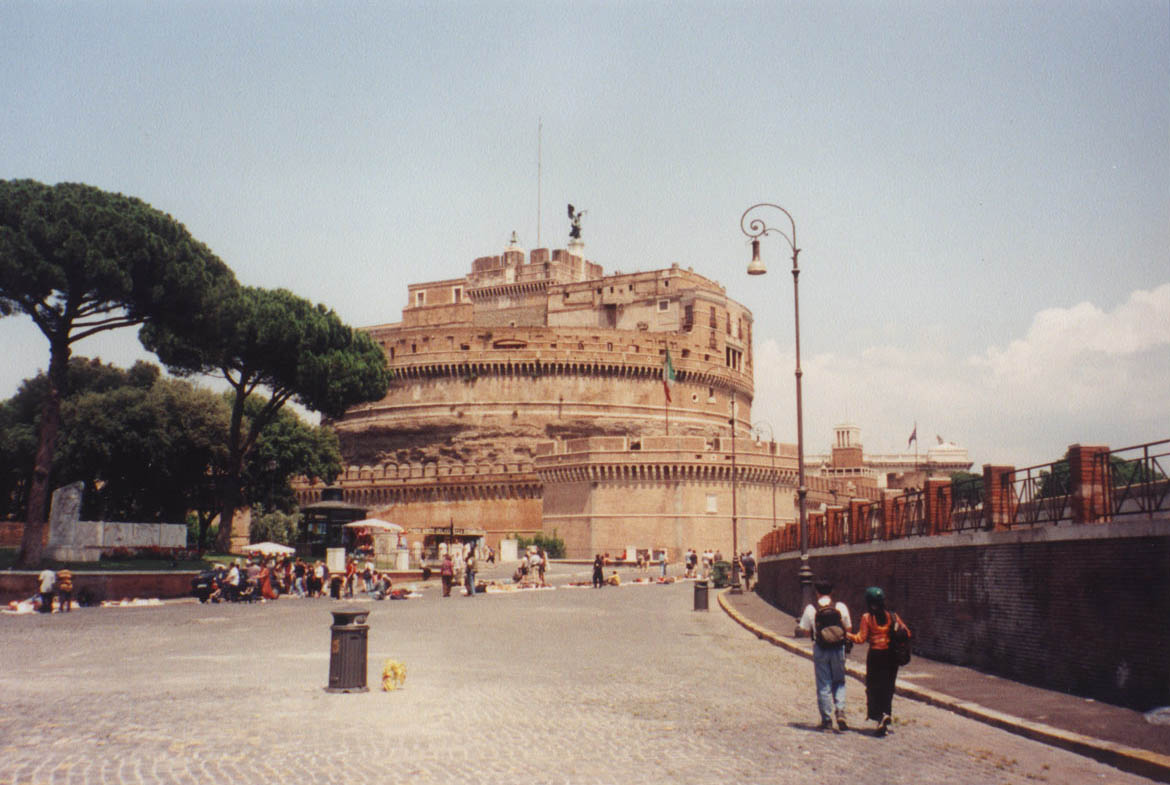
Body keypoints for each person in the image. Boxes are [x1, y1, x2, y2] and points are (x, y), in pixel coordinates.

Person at [848, 586, 910, 736]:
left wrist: (846, 634)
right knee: (888, 687)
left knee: (873, 687)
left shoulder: (867, 618)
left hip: (876, 656)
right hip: (891, 656)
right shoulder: (892, 616)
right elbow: (907, 632)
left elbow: (860, 639)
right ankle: (886, 714)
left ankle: (879, 716)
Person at [797, 580, 852, 731]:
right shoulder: (840, 607)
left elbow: (805, 630)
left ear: (817, 592)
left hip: (820, 648)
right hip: (838, 648)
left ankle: (827, 720)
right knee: (839, 681)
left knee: (824, 683)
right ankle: (840, 711)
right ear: (831, 592)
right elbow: (848, 627)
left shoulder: (811, 609)